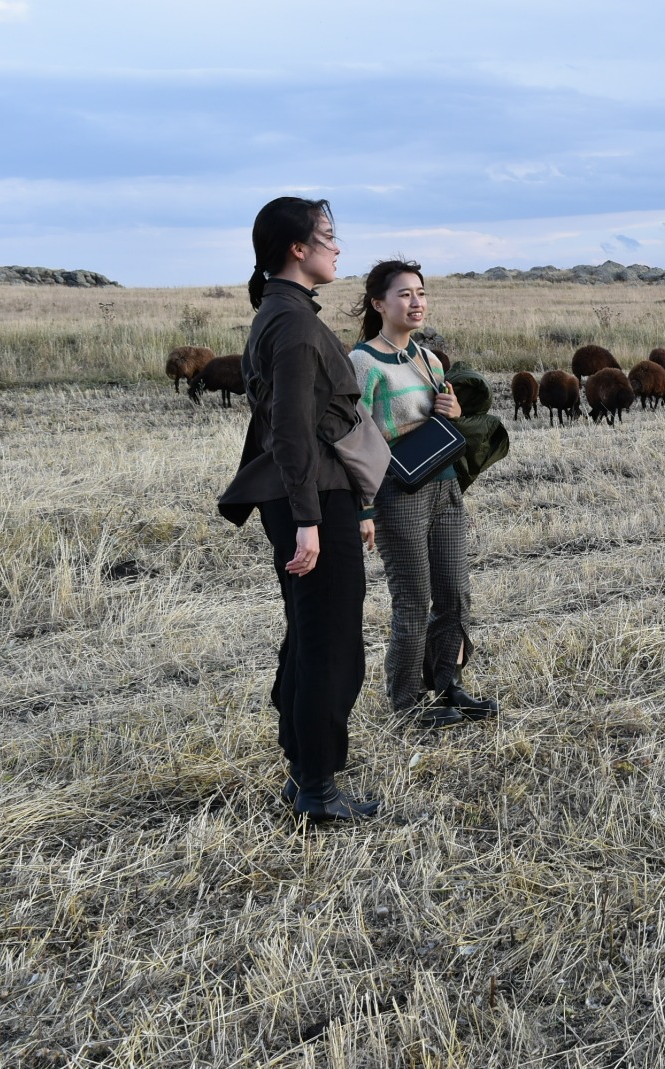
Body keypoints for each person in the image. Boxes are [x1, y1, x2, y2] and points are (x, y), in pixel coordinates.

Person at [218, 197, 379, 822]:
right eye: (330, 237)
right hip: (308, 499)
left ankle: (303, 774)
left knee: (312, 638)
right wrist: (309, 520)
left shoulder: (282, 314)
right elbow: (288, 429)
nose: (338, 248)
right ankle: (317, 790)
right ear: (297, 249)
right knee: (331, 647)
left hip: (309, 496)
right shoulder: (292, 323)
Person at [347, 260, 500, 728]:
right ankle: (406, 702)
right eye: (405, 294)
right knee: (413, 600)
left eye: (421, 293)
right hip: (397, 493)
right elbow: (355, 436)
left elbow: (438, 419)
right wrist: (364, 507)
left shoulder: (427, 358)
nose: (416, 302)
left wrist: (450, 409)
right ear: (379, 304)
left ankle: (447, 683)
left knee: (455, 594)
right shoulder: (363, 362)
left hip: (444, 485)